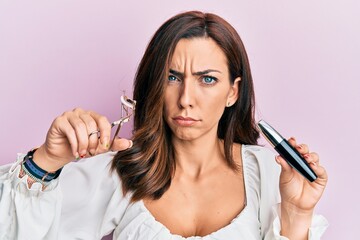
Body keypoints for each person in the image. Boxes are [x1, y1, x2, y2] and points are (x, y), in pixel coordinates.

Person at [0, 11, 328, 240]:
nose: (186, 98)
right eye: (173, 77)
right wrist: (46, 160)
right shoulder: (121, 172)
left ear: (233, 92)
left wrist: (297, 214)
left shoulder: (271, 175)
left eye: (207, 80)